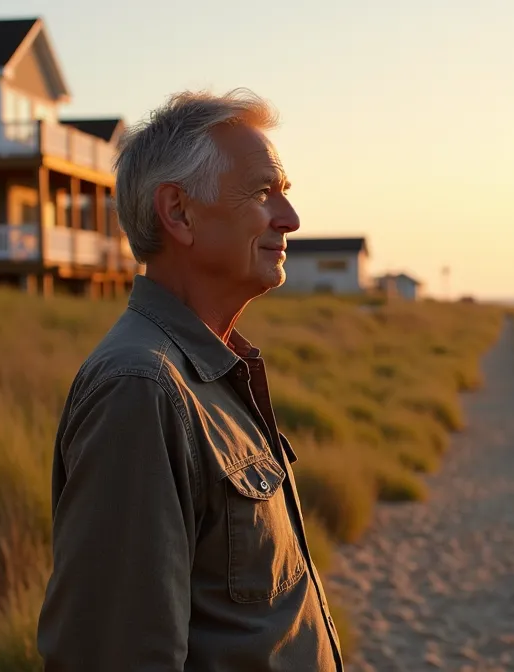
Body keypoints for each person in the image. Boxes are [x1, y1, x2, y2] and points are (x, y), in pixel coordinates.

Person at [37, 89, 343, 672]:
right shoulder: (142, 388)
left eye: (284, 194)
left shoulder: (208, 372)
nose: (290, 219)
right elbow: (114, 656)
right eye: (262, 192)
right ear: (178, 212)